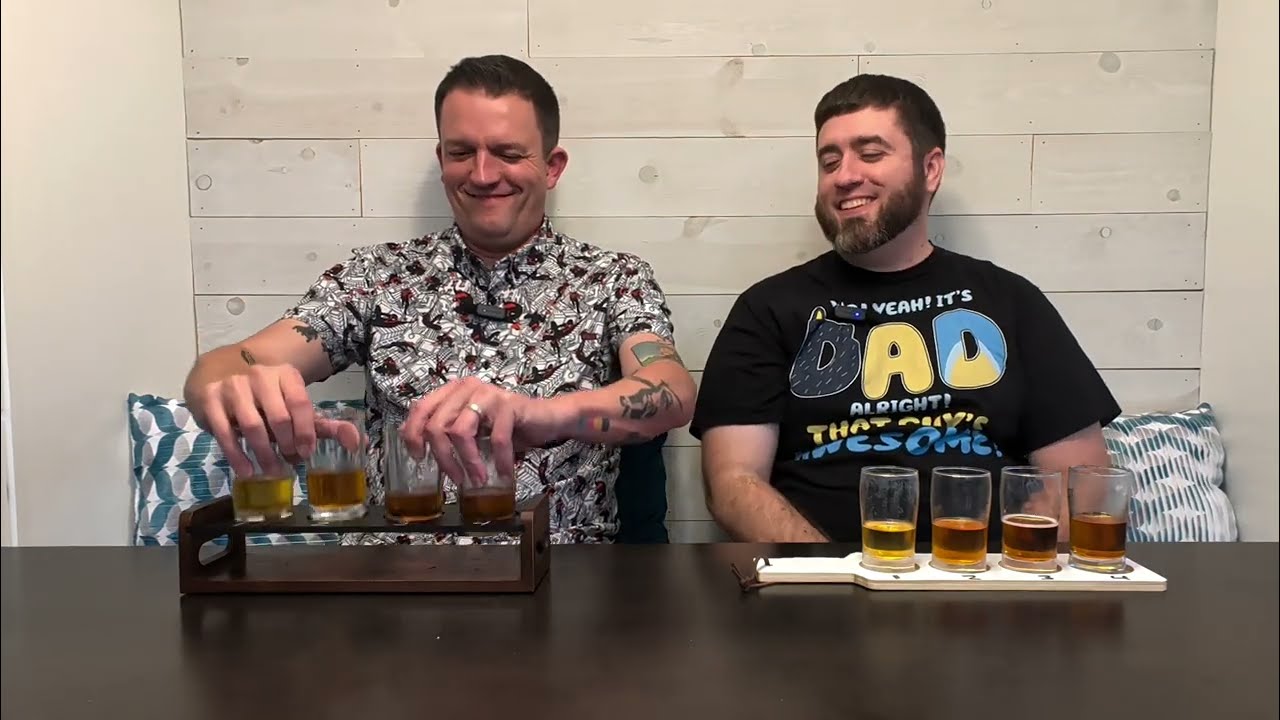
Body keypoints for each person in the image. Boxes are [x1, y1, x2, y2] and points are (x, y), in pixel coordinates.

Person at [183, 54, 696, 544]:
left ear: (552, 166)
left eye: (508, 153)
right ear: (442, 159)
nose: (482, 174)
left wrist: (540, 414)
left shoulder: (612, 278)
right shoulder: (375, 276)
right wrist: (222, 385)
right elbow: (234, 362)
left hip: (560, 574)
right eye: (461, 152)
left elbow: (671, 391)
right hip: (397, 576)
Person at [689, 74, 1121, 547]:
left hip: (988, 576)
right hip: (819, 581)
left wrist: (1016, 572)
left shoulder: (1010, 301)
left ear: (930, 169)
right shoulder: (768, 308)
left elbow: (1081, 476)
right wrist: (834, 575)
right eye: (829, 161)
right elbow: (734, 483)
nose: (844, 176)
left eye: (871, 154)